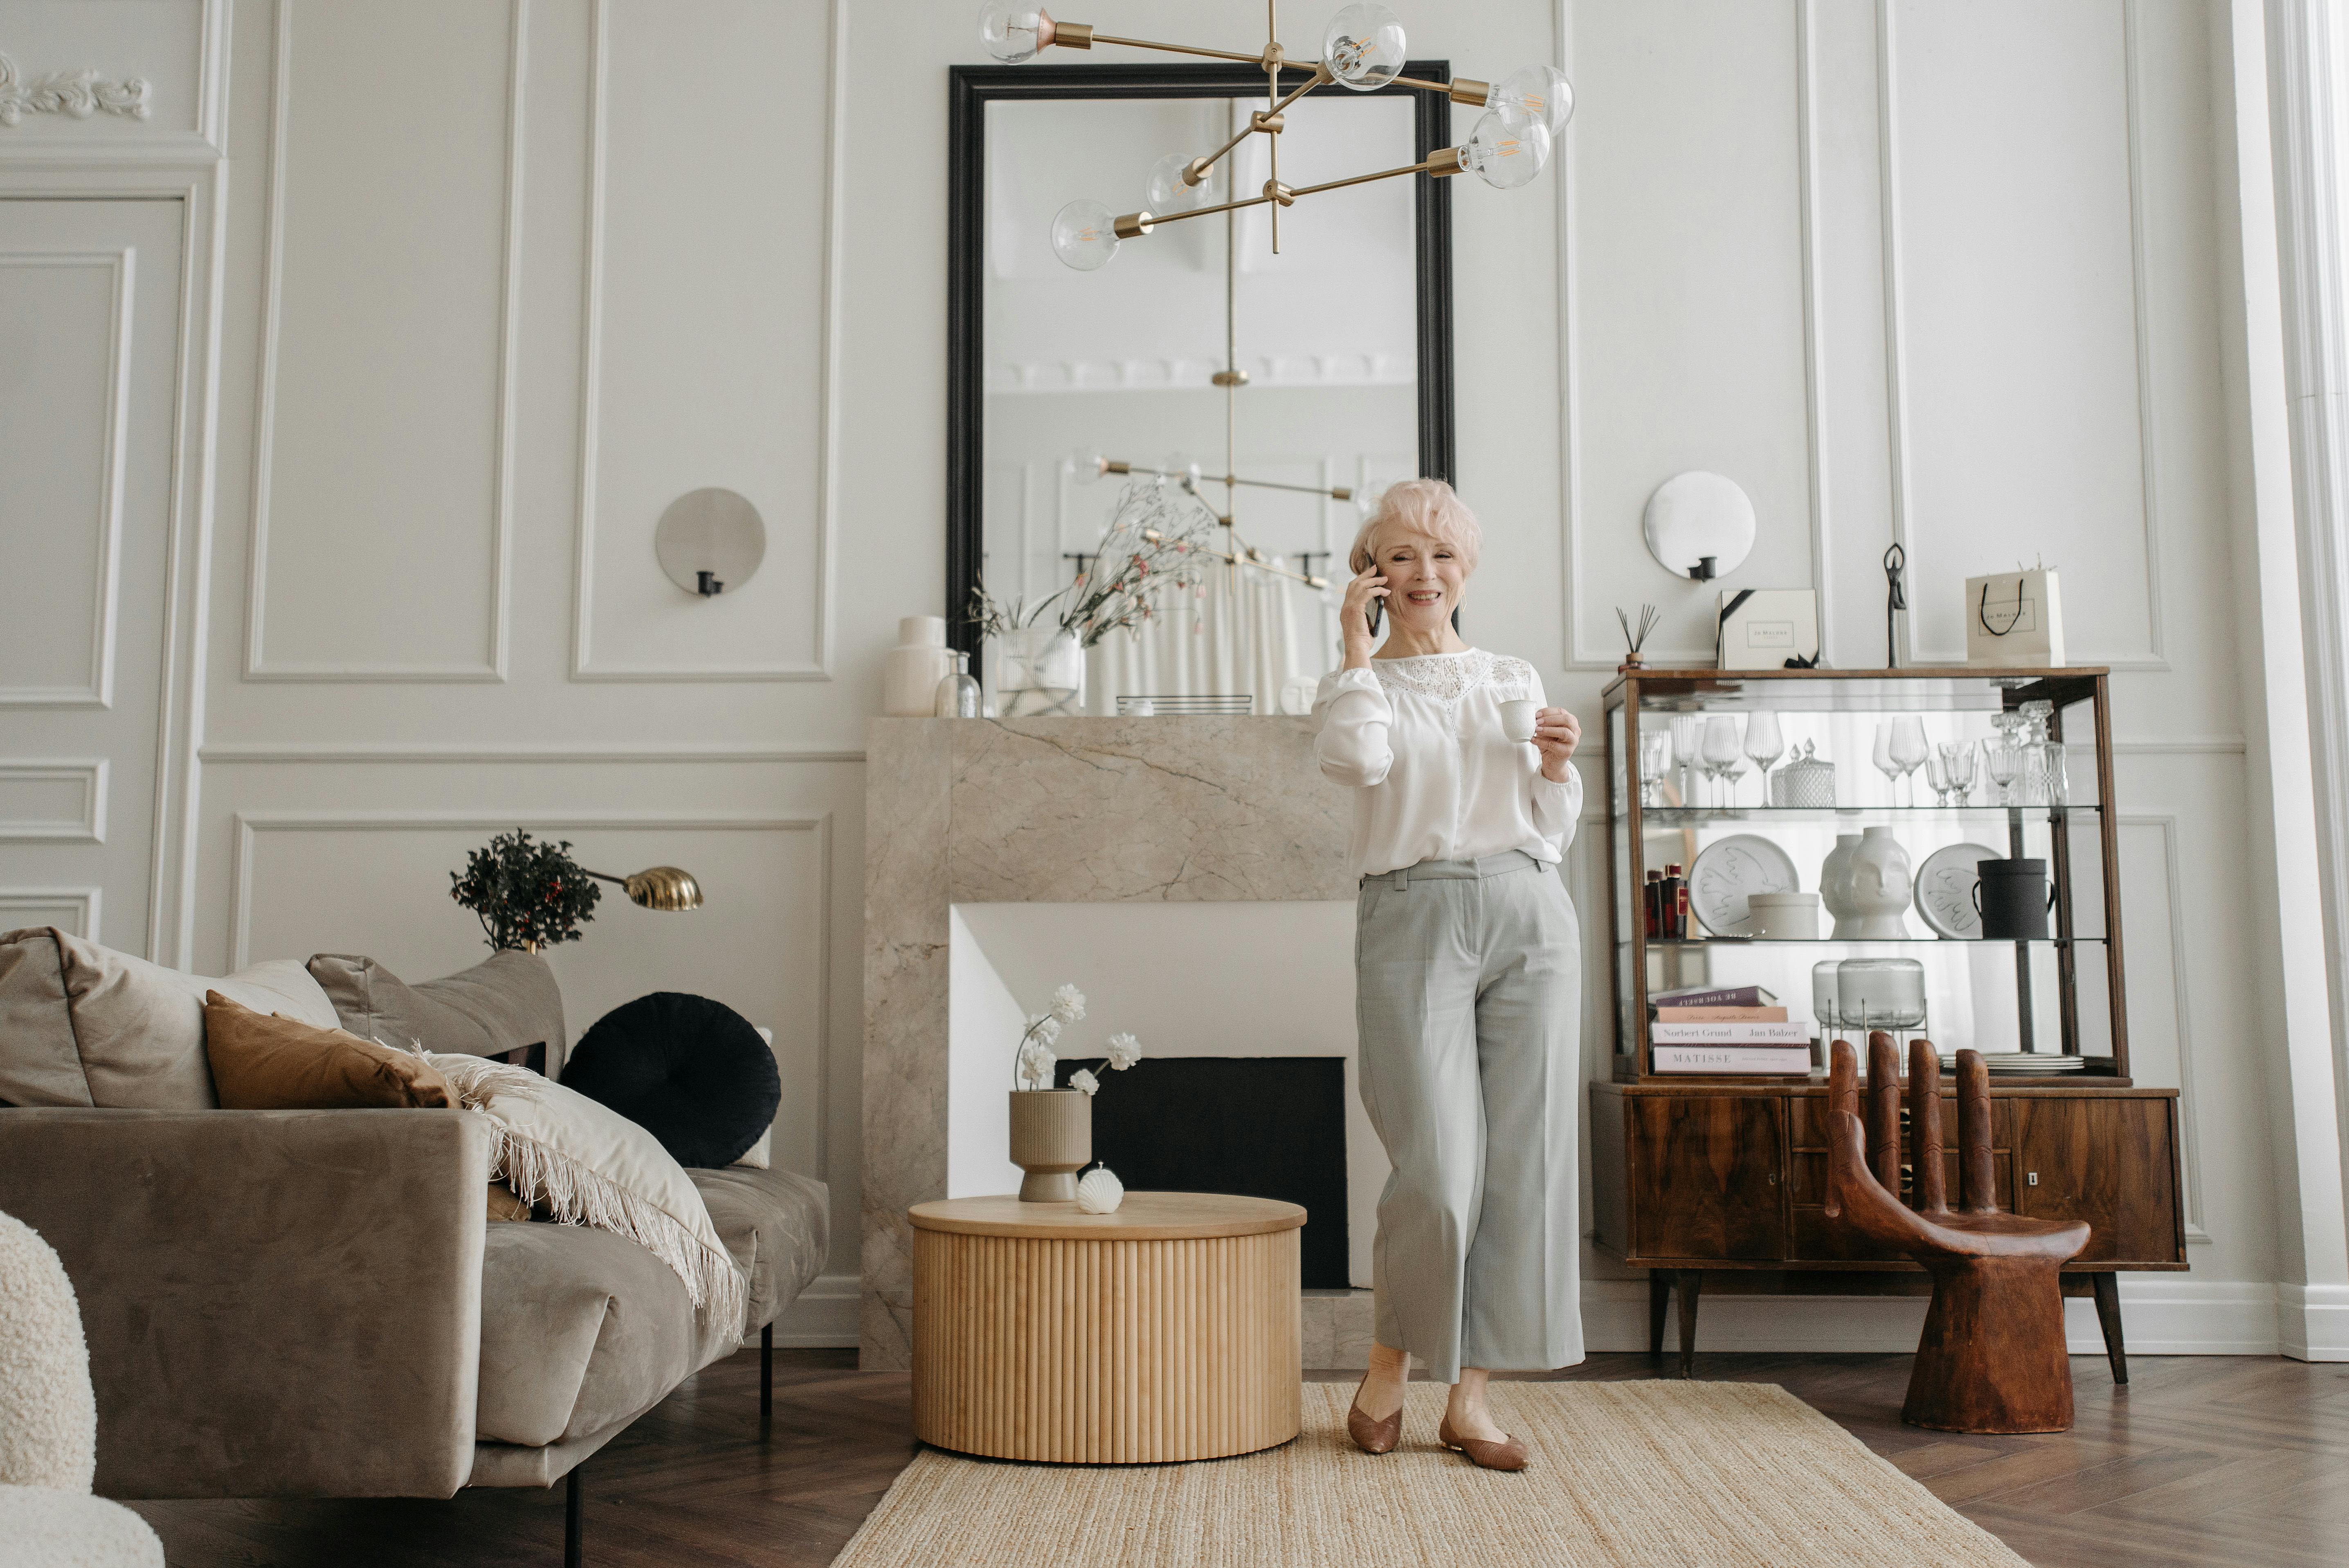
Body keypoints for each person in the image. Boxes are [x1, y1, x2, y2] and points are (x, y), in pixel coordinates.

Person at [1312, 478, 1584, 1471]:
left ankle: (1471, 1401)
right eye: (1399, 557)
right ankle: (1390, 1366)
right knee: (1436, 1166)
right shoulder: (1361, 688)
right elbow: (1356, 767)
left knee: (1525, 1162)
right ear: (1372, 575)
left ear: (1465, 569)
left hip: (1527, 912)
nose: (1422, 573)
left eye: (1441, 556)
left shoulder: (1513, 675)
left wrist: (1559, 769)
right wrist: (1353, 653)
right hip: (1412, 912)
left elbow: (1550, 828)